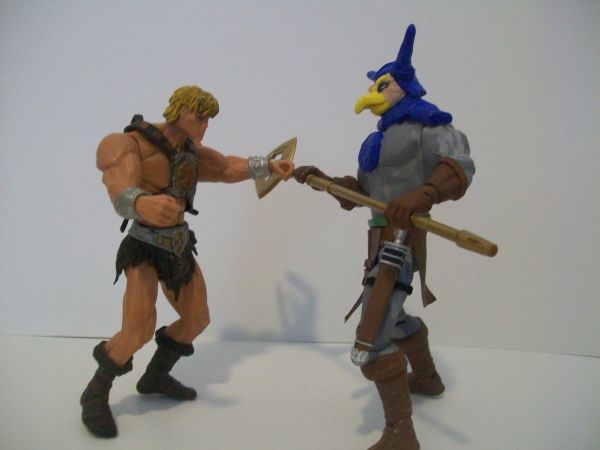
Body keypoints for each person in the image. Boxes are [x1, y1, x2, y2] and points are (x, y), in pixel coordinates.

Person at [295, 25, 475, 450]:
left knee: (371, 340)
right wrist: (325, 181)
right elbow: (365, 192)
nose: (372, 94)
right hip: (378, 238)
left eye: (383, 85)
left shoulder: (429, 126)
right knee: (394, 319)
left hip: (403, 241)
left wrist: (423, 195)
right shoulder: (379, 139)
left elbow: (459, 166)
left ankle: (401, 433)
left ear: (403, 88)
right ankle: (427, 378)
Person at [81, 85, 294, 438]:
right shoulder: (132, 145)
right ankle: (94, 393)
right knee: (138, 328)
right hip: (145, 246)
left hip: (178, 244)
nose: (205, 125)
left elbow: (225, 168)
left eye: (209, 119)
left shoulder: (190, 152)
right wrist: (141, 203)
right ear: (179, 111)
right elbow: (119, 191)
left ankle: (155, 377)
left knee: (197, 318)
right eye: (200, 117)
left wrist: (267, 165)